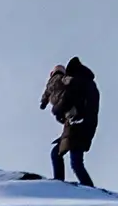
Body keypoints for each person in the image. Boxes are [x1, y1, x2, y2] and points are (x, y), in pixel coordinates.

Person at [40, 57, 101, 188]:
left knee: (75, 161)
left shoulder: (77, 82)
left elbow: (64, 101)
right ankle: (61, 183)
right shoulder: (86, 83)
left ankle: (87, 189)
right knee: (61, 155)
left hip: (77, 124)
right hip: (82, 124)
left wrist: (58, 110)